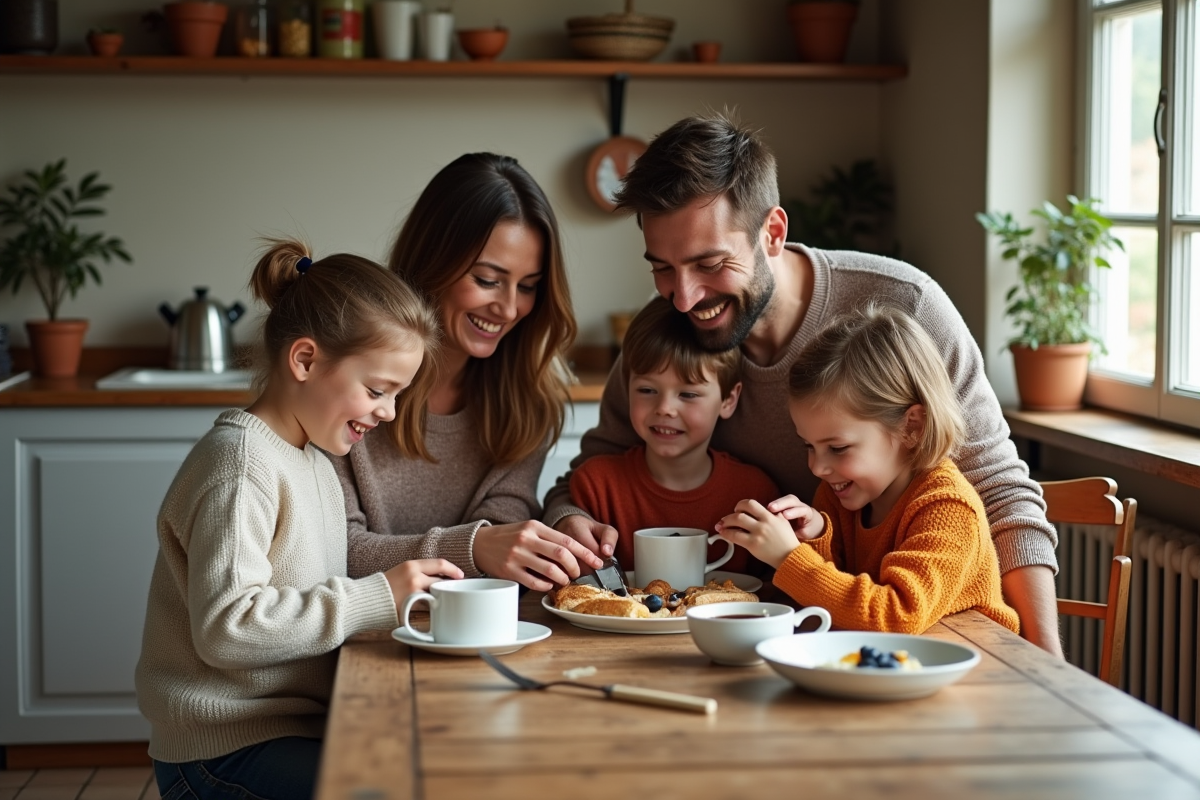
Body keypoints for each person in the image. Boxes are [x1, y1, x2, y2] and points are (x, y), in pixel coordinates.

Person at [544, 112, 1064, 655]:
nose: (684, 297)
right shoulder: (669, 334)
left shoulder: (904, 307)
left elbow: (1000, 493)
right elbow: (590, 475)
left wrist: (1047, 659)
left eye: (710, 264)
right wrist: (570, 519)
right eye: (662, 269)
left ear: (772, 233)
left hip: (923, 643)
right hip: (794, 632)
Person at [135, 240, 464, 800]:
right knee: (391, 789)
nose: (388, 412)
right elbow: (227, 629)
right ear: (306, 360)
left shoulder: (314, 461)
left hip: (286, 731)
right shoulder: (241, 465)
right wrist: (376, 596)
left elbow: (308, 600)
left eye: (397, 395)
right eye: (378, 390)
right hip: (223, 751)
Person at [333, 153, 602, 592]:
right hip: (364, 627)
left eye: (528, 286)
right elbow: (334, 551)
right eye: (487, 280)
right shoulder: (347, 383)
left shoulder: (528, 397)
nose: (509, 308)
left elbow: (505, 530)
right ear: (432, 262)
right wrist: (472, 548)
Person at [715, 305, 1020, 634]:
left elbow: (896, 616)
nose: (817, 467)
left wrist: (789, 558)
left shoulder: (948, 508)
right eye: (809, 446)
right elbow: (837, 605)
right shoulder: (839, 494)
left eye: (838, 448)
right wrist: (815, 538)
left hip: (979, 658)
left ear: (912, 427)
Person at [569, 295, 779, 575]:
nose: (665, 408)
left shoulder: (755, 494)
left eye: (688, 394)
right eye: (647, 390)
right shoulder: (595, 486)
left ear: (728, 400)